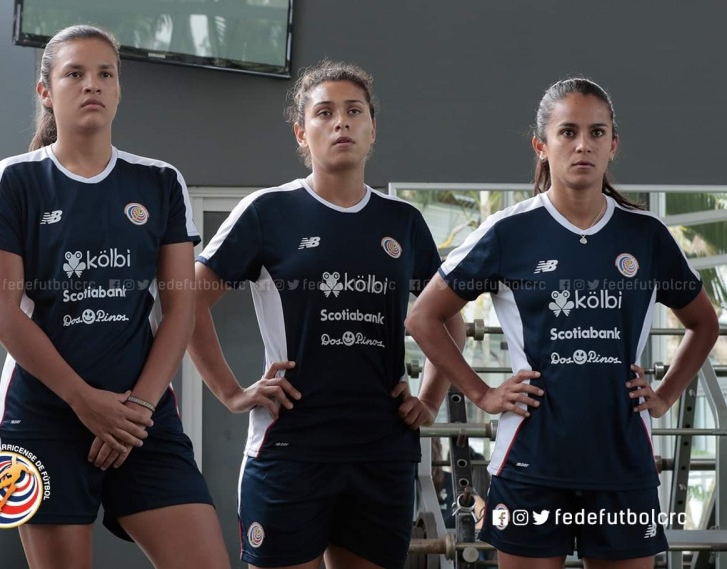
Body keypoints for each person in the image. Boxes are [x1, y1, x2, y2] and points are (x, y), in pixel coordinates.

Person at [406, 77, 720, 569]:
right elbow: (423, 316)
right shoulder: (509, 231)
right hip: (530, 464)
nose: (583, 145)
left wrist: (664, 396)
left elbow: (704, 323)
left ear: (613, 145)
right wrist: (482, 393)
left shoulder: (647, 235)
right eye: (568, 132)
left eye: (597, 133)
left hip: (622, 465)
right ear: (542, 145)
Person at [0, 24, 229, 569]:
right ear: (46, 91)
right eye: (75, 74)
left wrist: (136, 409)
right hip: (45, 417)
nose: (93, 84)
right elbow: (1, 312)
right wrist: (83, 401)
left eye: (105, 74)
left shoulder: (160, 181)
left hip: (141, 418)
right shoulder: (13, 180)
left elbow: (180, 309)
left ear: (118, 88)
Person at [187, 60, 462, 569]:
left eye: (354, 111)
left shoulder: (403, 221)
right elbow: (187, 299)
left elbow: (448, 318)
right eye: (325, 112)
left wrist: (429, 398)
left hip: (381, 451)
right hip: (289, 448)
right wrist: (230, 392)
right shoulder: (267, 211)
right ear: (301, 132)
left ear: (372, 128)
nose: (341, 123)